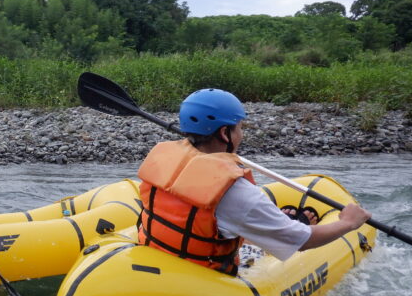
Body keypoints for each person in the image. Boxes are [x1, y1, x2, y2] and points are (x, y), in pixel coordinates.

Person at [136, 88, 371, 276]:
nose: (241, 135)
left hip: (160, 263)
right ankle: (284, 222)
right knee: (271, 231)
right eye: (239, 128)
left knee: (229, 225)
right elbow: (302, 241)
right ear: (224, 133)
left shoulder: (164, 161)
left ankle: (273, 222)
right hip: (203, 280)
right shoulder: (235, 192)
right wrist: (348, 223)